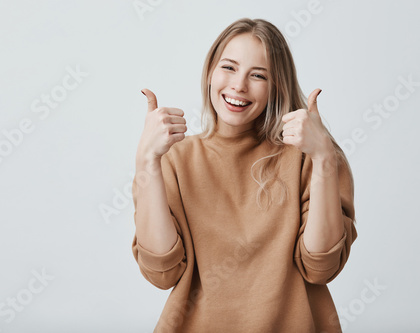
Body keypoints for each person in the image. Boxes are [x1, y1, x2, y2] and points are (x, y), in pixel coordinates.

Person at [131, 17, 357, 333]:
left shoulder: (312, 155)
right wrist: (148, 162)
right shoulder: (173, 159)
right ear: (210, 72)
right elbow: (161, 273)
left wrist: (323, 159)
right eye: (228, 67)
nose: (239, 85)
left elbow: (321, 267)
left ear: (277, 85)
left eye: (258, 75)